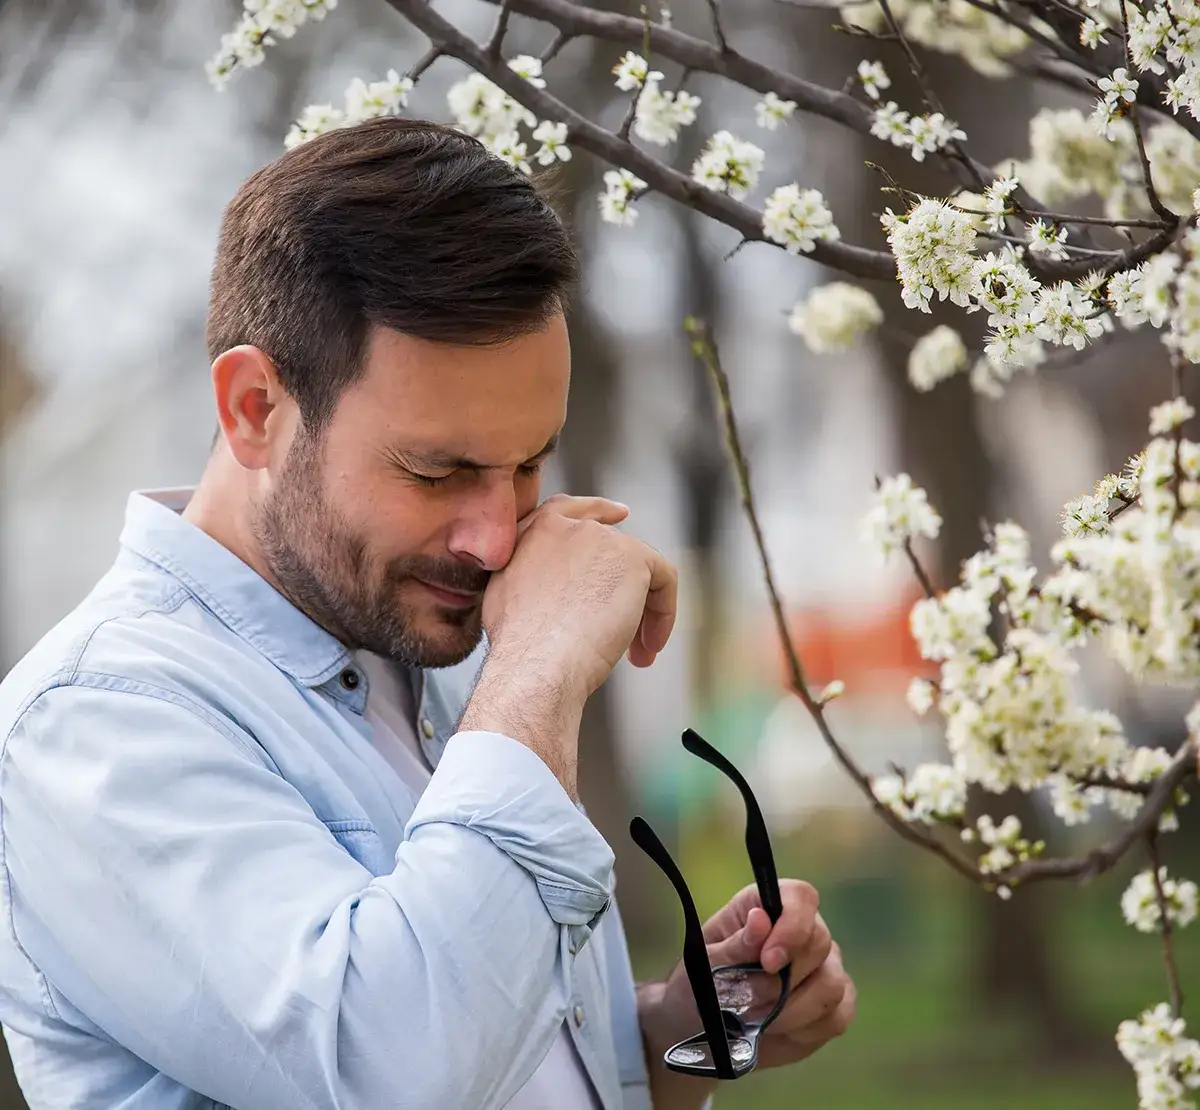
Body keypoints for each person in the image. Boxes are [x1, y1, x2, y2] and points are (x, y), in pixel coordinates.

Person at [0, 117, 854, 1110]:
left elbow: (489, 1050)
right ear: (253, 411)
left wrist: (668, 1033)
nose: (494, 539)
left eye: (529, 463)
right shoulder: (97, 722)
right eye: (437, 469)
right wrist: (537, 670)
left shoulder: (425, 656)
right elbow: (394, 1072)